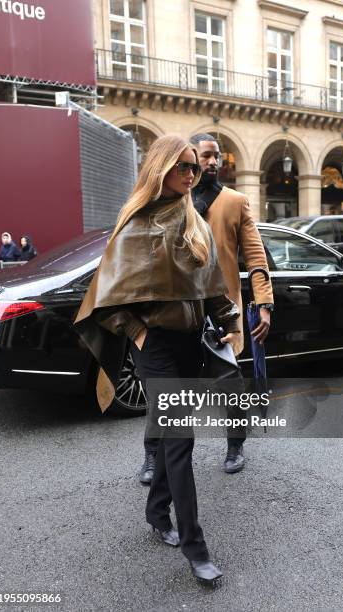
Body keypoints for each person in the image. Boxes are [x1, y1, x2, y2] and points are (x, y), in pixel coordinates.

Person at [74, 134, 241, 585]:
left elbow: (213, 283)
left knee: (173, 439)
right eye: (183, 166)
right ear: (160, 168)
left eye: (195, 167)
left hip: (192, 345)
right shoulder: (133, 225)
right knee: (181, 441)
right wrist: (140, 334)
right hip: (158, 350)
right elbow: (106, 300)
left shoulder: (194, 221)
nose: (192, 174)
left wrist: (230, 320)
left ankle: (155, 511)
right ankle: (195, 547)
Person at [139, 133, 274, 483]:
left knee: (230, 383)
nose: (213, 163)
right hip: (176, 313)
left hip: (221, 313)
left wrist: (264, 304)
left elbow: (256, 256)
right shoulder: (170, 201)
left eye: (217, 156)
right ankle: (153, 455)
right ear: (189, 162)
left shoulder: (235, 201)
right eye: (206, 157)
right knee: (166, 393)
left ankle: (235, 445)